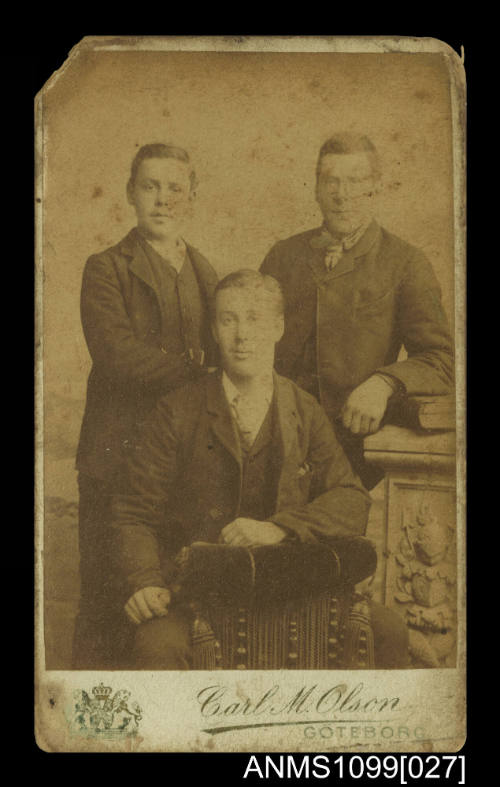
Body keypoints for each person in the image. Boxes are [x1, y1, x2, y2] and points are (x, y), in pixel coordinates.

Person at [111, 270, 408, 669]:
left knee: (387, 630)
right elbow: (134, 511)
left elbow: (351, 500)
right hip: (199, 593)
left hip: (292, 587)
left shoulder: (304, 409)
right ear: (214, 330)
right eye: (228, 319)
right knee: (158, 648)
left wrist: (279, 527)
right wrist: (144, 582)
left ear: (278, 327)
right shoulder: (177, 409)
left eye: (254, 319)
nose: (242, 335)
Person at [74, 143, 219, 668]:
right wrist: (199, 372)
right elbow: (118, 358)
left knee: (161, 604)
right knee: (106, 605)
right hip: (114, 464)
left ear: (192, 196)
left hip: (174, 470)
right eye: (150, 186)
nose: (163, 199)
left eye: (174, 187)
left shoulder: (205, 272)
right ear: (130, 194)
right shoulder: (106, 268)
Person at [260, 132, 454, 488]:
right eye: (331, 180)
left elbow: (440, 359)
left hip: (353, 449)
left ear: (376, 188)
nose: (342, 194)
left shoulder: (406, 262)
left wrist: (384, 383)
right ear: (316, 187)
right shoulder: (282, 256)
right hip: (276, 443)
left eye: (355, 181)